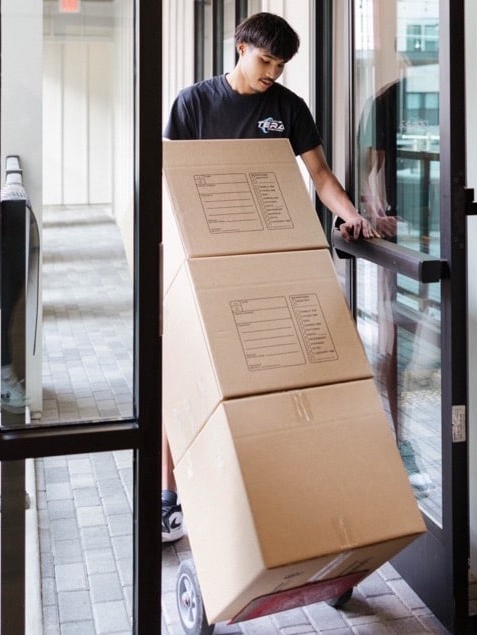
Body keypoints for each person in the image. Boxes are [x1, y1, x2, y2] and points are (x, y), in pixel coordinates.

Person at [160, 11, 377, 543]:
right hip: (205, 257)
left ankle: (265, 484)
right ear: (240, 48)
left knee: (262, 375)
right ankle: (168, 496)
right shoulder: (193, 104)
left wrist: (349, 214)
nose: (272, 73)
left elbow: (321, 175)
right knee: (183, 373)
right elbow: (173, 178)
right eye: (265, 60)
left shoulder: (288, 108)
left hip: (270, 259)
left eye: (280, 65)